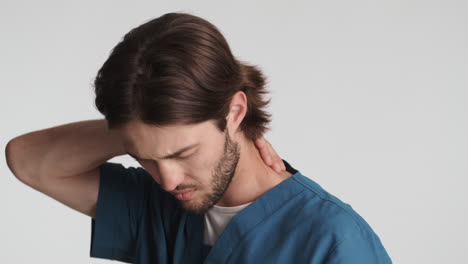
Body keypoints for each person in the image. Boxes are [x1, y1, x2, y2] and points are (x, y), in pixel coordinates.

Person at [6, 12, 392, 264]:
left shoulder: (332, 240)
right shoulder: (157, 204)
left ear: (235, 112)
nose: (168, 179)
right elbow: (27, 160)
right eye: (145, 158)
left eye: (182, 152)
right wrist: (132, 133)